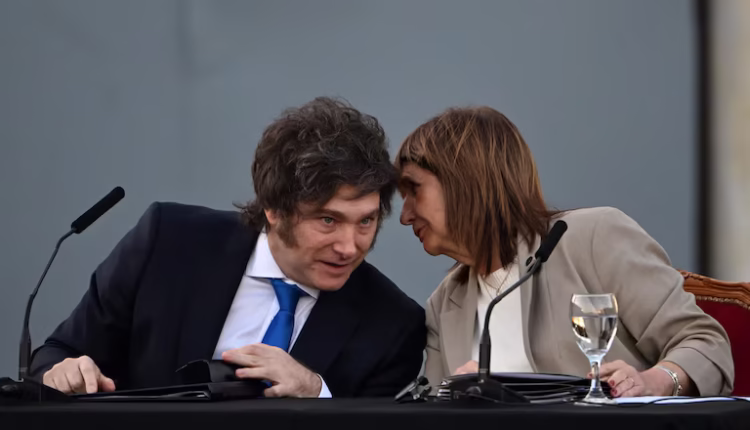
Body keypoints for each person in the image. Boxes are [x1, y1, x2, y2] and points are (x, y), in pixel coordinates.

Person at [29, 97, 426, 398]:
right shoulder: (168, 242)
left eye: (366, 221)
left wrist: (316, 392)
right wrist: (61, 372)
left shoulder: (394, 324)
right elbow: (58, 352)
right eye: (328, 220)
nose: (349, 247)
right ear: (274, 209)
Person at [396, 106, 734, 397]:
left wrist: (651, 382)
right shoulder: (444, 304)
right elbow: (435, 413)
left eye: (414, 190)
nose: (405, 215)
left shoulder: (593, 238)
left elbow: (706, 343)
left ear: (465, 181)